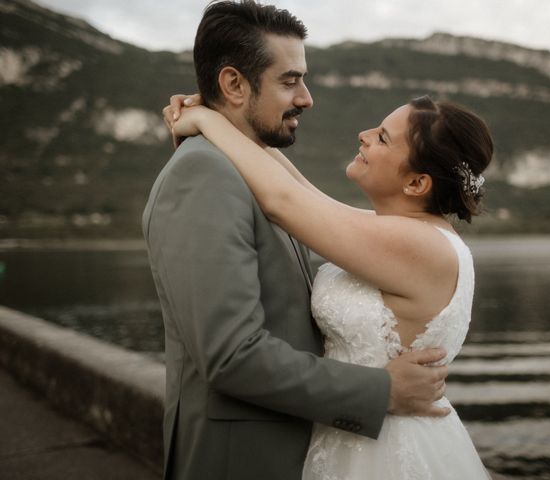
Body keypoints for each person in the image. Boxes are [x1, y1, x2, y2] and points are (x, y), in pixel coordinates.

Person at [143, 2, 450, 480]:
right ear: (234, 84)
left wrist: (210, 121)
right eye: (290, 81)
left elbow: (297, 197)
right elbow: (231, 354)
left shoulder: (248, 171)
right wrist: (380, 391)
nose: (306, 98)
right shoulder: (204, 173)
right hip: (239, 460)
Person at [164, 91, 493, 478]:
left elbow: (282, 200)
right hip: (353, 428)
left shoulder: (418, 246)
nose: (363, 134)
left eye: (383, 137)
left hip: (385, 449)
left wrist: (206, 123)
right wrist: (218, 116)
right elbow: (302, 191)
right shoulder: (404, 232)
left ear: (417, 182)